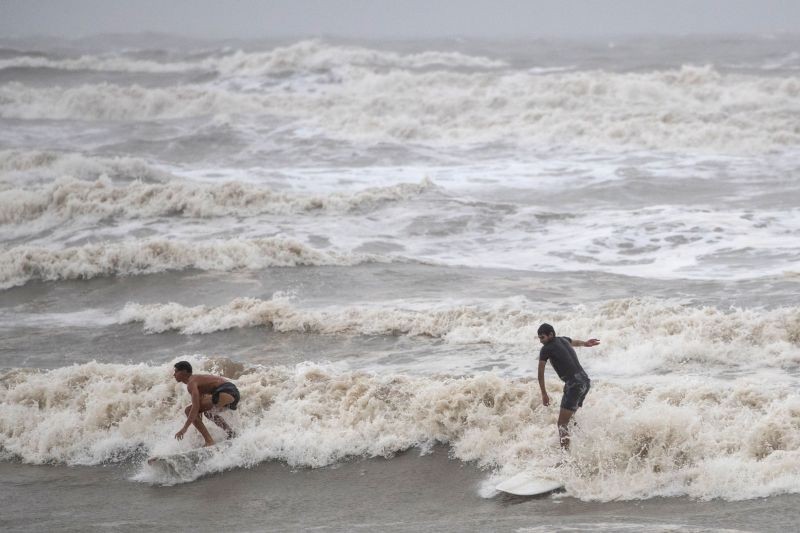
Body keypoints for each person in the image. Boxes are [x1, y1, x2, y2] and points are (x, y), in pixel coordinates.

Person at [536, 323, 599, 451]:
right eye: (539, 338)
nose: (541, 341)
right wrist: (585, 343)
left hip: (574, 384)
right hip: (585, 381)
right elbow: (574, 342)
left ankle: (566, 459)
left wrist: (544, 394)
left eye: (542, 337)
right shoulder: (563, 339)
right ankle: (584, 444)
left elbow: (540, 373)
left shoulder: (546, 348)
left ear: (551, 334)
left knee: (562, 424)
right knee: (570, 419)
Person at [172, 361, 240, 446]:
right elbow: (199, 409)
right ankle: (231, 433)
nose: (174, 374)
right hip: (234, 394)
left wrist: (184, 429)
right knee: (208, 413)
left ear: (184, 372)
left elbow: (195, 407)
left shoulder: (191, 383)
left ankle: (209, 441)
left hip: (225, 391)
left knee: (188, 410)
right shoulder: (198, 380)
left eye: (176, 371)